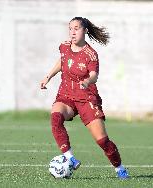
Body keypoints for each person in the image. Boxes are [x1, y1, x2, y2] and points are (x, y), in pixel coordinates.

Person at [40, 17, 129, 179]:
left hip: (86, 98)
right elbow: (62, 61)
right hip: (66, 95)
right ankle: (69, 158)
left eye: (76, 28)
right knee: (55, 117)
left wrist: (87, 81)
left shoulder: (91, 54)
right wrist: (48, 76)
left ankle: (120, 168)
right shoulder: (64, 46)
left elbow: (94, 75)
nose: (72, 32)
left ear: (85, 31)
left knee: (103, 141)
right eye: (70, 29)